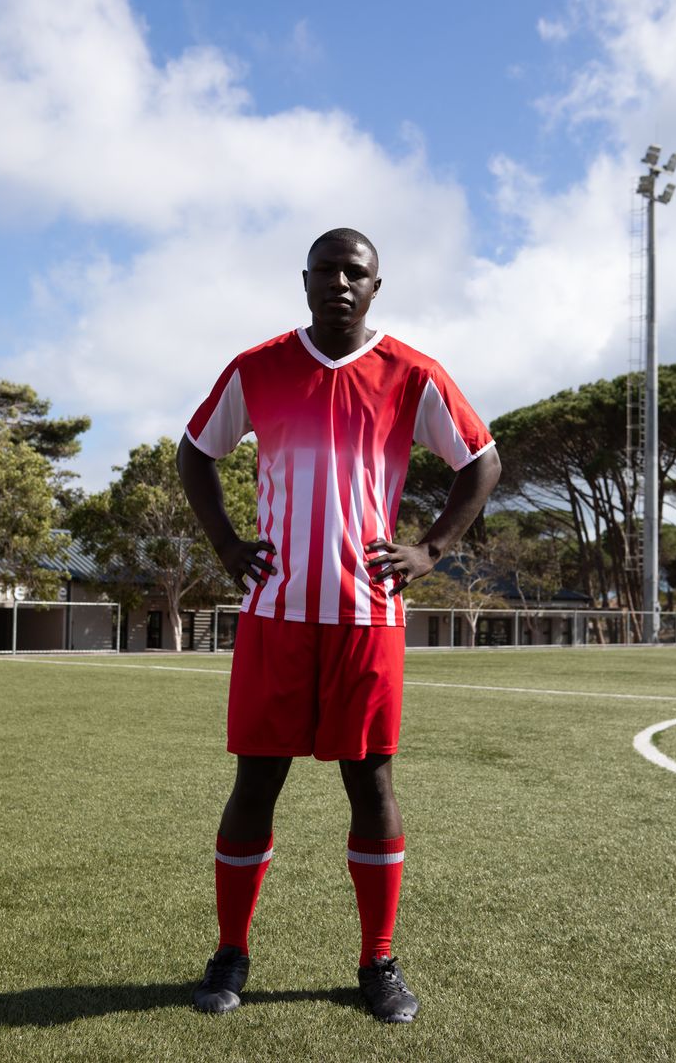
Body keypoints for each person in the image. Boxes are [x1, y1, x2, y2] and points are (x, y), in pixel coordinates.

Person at [176, 228, 501, 1024]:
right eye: (327, 270)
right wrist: (224, 543)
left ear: (375, 287)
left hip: (367, 615)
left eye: (356, 272)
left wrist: (430, 549)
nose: (341, 283)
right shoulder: (258, 368)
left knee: (373, 782)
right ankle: (229, 954)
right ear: (306, 280)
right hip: (276, 611)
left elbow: (481, 460)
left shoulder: (413, 373)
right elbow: (195, 451)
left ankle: (378, 961)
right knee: (256, 780)